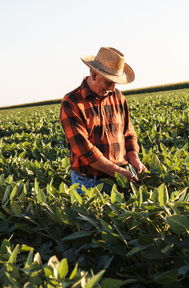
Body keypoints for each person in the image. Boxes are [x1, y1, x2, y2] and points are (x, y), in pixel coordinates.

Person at [60, 46, 146, 194]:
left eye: (115, 83)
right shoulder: (72, 101)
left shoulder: (118, 97)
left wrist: (134, 157)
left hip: (120, 178)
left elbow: (128, 133)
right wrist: (117, 171)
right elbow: (84, 150)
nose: (112, 88)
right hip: (88, 183)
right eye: (108, 82)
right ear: (94, 75)